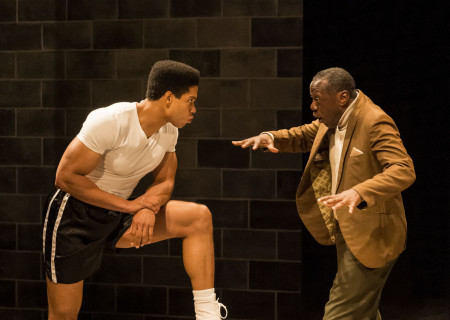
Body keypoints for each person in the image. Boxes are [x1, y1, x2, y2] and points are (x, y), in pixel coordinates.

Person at [42, 60, 227, 320]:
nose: (194, 109)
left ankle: (208, 315)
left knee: (198, 217)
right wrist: (132, 206)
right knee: (63, 314)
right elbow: (65, 177)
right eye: (191, 101)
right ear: (168, 98)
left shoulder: (169, 131)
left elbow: (165, 180)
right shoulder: (110, 120)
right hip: (75, 217)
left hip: (119, 213)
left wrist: (148, 209)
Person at [232, 67, 415, 319]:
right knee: (362, 310)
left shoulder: (374, 121)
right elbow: (305, 134)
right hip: (348, 227)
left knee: (341, 312)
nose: (312, 106)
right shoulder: (332, 121)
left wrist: (359, 192)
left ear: (342, 97)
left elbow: (403, 169)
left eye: (317, 99)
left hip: (373, 231)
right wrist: (270, 136)